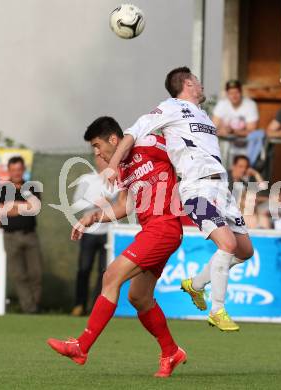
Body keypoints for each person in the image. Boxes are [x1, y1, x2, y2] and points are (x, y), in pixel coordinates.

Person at [106, 66, 254, 331]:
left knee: (245, 251)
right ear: (187, 83)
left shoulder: (205, 116)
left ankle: (195, 285)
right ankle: (217, 310)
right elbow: (132, 133)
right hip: (196, 188)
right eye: (197, 80)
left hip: (221, 187)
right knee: (228, 244)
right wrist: (113, 165)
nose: (201, 84)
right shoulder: (170, 107)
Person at [47, 116, 187, 378]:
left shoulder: (149, 143)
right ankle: (171, 352)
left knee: (111, 276)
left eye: (98, 145)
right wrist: (93, 216)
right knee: (139, 297)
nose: (97, 152)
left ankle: (81, 346)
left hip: (165, 226)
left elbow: (184, 153)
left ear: (114, 139)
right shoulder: (122, 168)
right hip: (154, 230)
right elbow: (125, 205)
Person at [0, 156, 43, 313]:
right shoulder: (2, 189)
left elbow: (33, 207)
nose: (16, 173)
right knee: (19, 275)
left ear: (23, 170)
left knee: (36, 274)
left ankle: (35, 304)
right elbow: (0, 210)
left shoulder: (32, 187)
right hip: (10, 237)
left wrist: (11, 206)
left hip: (30, 236)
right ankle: (30, 309)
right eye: (13, 170)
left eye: (19, 169)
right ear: (9, 171)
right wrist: (21, 206)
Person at [71, 155, 118, 316]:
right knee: (84, 269)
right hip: (89, 232)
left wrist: (110, 203)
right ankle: (79, 305)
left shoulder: (116, 181)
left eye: (105, 158)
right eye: (99, 158)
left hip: (109, 233)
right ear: (96, 160)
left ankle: (96, 308)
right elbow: (76, 202)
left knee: (104, 272)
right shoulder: (87, 179)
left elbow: (121, 204)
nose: (102, 161)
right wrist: (95, 202)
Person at [212, 79, 263, 166]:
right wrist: (221, 130)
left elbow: (252, 131)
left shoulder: (250, 105)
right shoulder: (222, 104)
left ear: (241, 92)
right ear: (227, 94)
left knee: (244, 177)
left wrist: (232, 131)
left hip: (246, 151)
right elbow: (212, 128)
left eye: (236, 92)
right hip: (225, 150)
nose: (234, 96)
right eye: (231, 93)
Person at [227, 155, 270, 229]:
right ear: (233, 166)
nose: (243, 170)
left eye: (246, 167)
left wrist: (255, 173)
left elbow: (263, 188)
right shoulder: (224, 179)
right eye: (240, 166)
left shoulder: (244, 183)